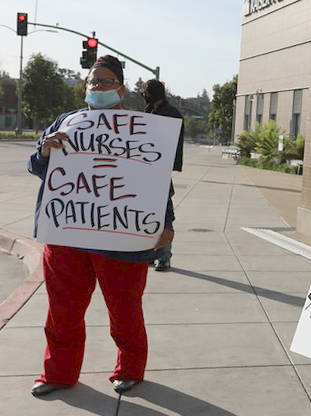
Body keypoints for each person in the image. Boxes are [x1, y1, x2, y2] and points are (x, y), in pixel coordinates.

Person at [27, 55, 175, 397]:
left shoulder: (141, 128)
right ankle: (58, 373)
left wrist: (165, 223)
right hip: (66, 234)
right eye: (93, 82)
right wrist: (45, 152)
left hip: (120, 236)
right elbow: (36, 166)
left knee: (125, 309)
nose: (98, 87)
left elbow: (157, 181)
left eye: (105, 82)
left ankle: (130, 368)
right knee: (62, 310)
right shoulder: (66, 122)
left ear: (120, 89)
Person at [142, 78, 184, 272]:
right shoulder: (149, 112)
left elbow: (175, 144)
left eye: (146, 92)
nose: (144, 96)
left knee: (164, 216)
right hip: (146, 170)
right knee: (147, 215)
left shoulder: (171, 114)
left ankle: (164, 257)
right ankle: (150, 254)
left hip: (161, 171)